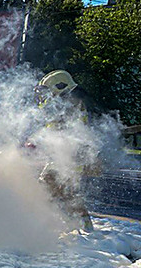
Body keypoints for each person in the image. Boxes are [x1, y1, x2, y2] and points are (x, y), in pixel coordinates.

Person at [32, 70, 97, 232]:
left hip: (70, 157)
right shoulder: (64, 104)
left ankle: (77, 230)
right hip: (64, 156)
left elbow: (65, 131)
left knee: (48, 190)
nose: (45, 96)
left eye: (48, 91)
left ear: (59, 87)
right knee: (64, 195)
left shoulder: (70, 105)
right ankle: (82, 229)